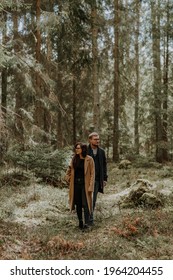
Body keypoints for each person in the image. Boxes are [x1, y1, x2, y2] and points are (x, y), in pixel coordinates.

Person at [65, 142, 95, 230]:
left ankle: (87, 223)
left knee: (85, 204)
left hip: (85, 185)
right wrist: (68, 178)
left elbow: (92, 174)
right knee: (78, 204)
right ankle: (80, 222)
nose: (77, 150)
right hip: (75, 185)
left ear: (83, 149)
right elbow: (68, 171)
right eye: (76, 148)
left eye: (78, 148)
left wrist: (91, 186)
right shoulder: (74, 159)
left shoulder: (89, 159)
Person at [88, 132, 108, 224]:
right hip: (86, 179)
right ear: (90, 140)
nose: (97, 141)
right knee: (85, 199)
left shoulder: (101, 152)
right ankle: (85, 217)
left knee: (93, 199)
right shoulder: (85, 151)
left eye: (98, 139)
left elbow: (104, 166)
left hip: (96, 180)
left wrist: (104, 178)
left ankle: (90, 220)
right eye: (95, 139)